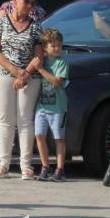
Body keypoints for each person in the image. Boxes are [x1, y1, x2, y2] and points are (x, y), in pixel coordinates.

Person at [0, 0, 43, 179]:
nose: (30, 6)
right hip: (3, 75)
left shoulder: (36, 26)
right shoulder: (0, 22)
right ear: (15, 0)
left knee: (25, 119)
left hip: (30, 78)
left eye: (33, 3)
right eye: (26, 1)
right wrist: (15, 71)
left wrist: (25, 75)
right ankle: (3, 163)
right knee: (6, 119)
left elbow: (39, 56)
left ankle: (26, 165)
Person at [33, 28, 69, 182]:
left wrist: (40, 69)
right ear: (45, 47)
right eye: (53, 45)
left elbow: (56, 82)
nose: (57, 48)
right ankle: (45, 167)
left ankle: (60, 170)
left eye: (59, 45)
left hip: (58, 108)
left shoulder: (62, 62)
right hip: (41, 107)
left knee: (58, 138)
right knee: (39, 136)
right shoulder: (42, 61)